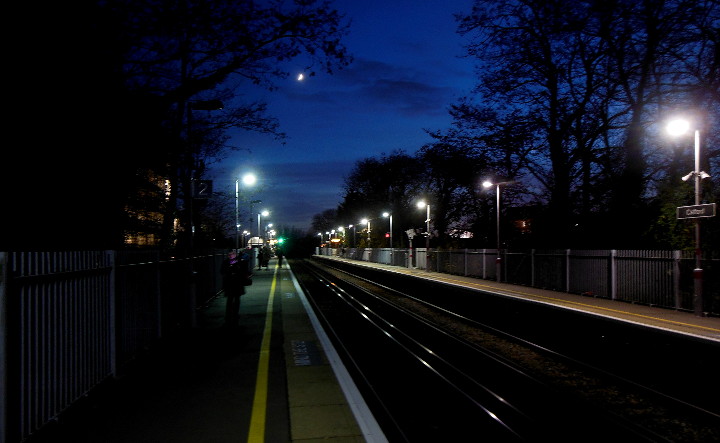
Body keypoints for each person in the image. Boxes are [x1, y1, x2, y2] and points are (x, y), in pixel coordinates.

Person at [221, 249, 251, 327]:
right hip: (231, 283)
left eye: (232, 254)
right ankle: (229, 315)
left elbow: (244, 270)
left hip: (236, 283)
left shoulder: (238, 262)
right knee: (230, 299)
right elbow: (222, 271)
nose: (231, 256)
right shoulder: (231, 262)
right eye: (229, 254)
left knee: (236, 299)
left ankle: (234, 314)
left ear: (235, 254)